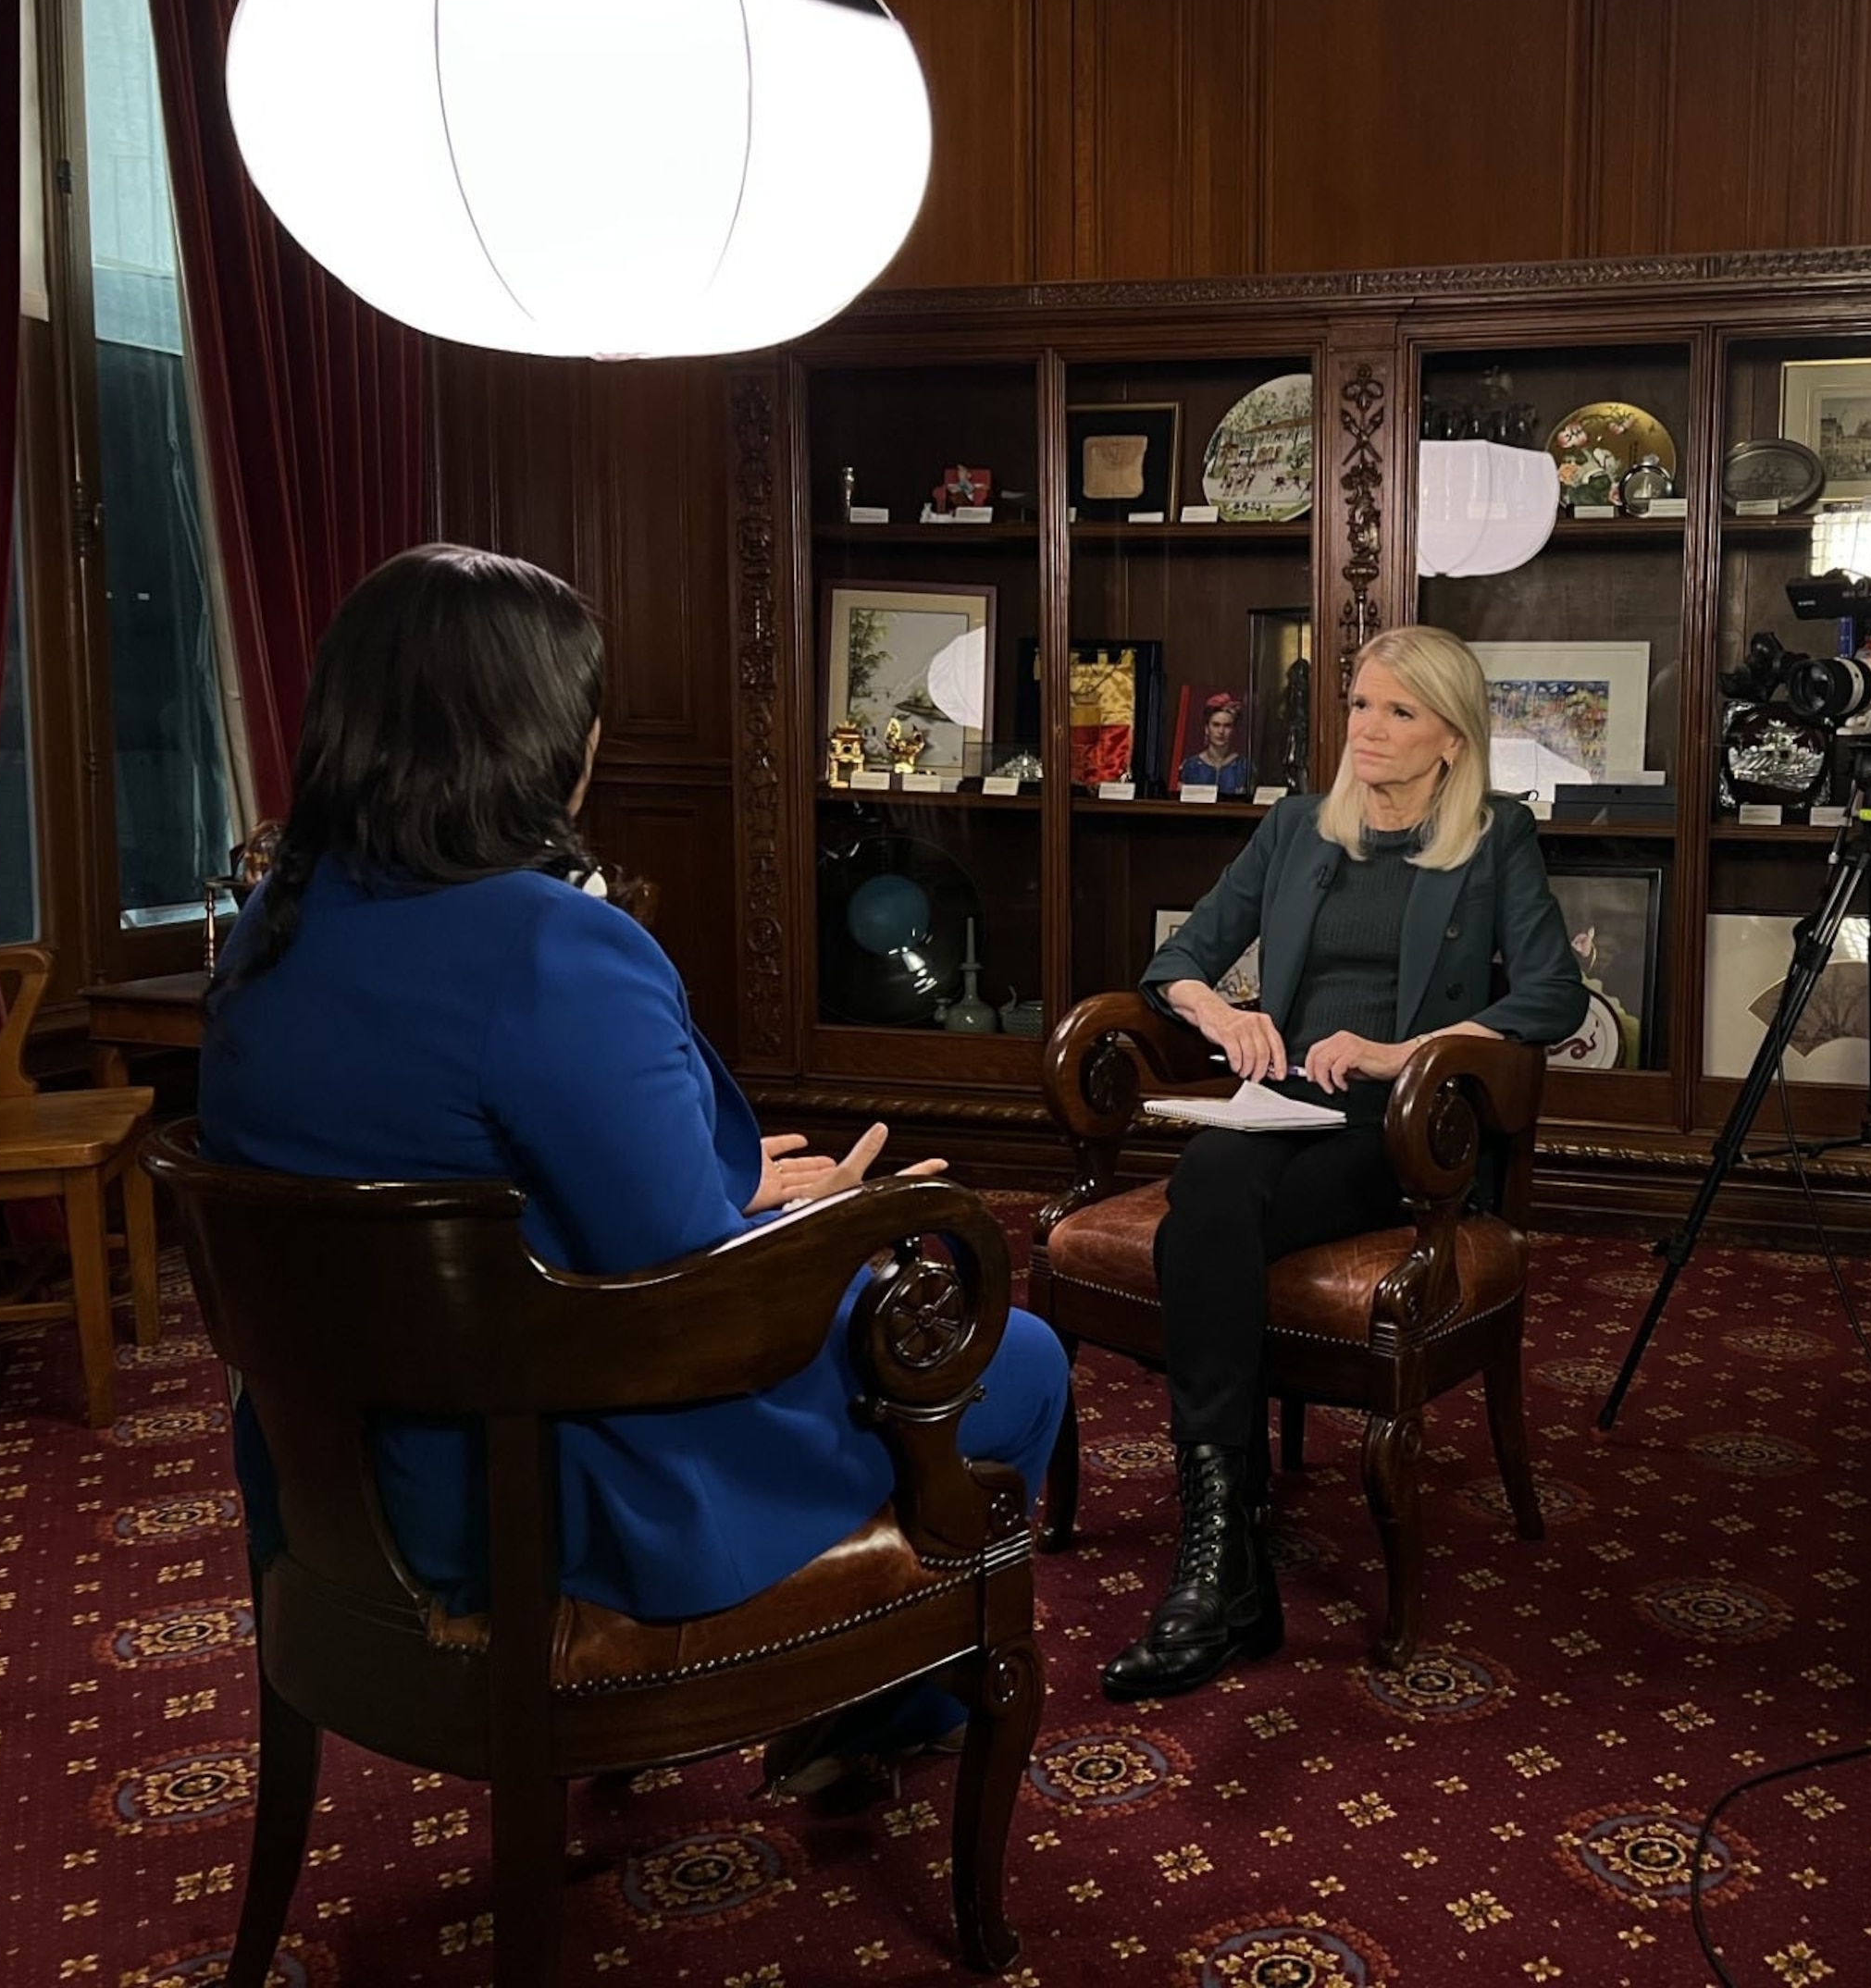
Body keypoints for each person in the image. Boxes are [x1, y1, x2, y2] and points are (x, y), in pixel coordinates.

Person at [201, 545, 1068, 1803]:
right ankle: (875, 1706)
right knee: (1015, 1359)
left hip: (344, 1486)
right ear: (548, 735)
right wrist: (827, 1221)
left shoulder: (271, 931)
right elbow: (691, 1291)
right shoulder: (550, 943)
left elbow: (445, 1184)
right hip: (547, 1490)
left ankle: (862, 1700)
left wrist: (724, 1189)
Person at [1107, 624, 1587, 1700]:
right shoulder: (1295, 828)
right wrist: (1221, 1014)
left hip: (1404, 1133)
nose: (1367, 730)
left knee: (1206, 1212)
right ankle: (1225, 1550)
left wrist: (1401, 1052)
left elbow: (1553, 997)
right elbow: (1175, 960)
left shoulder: (1495, 839)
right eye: (1361, 706)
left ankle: (1223, 1575)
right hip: (1280, 1111)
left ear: (1452, 741)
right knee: (1211, 1189)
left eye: (1398, 713)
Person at [1179, 689, 1257, 796]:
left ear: (1234, 730)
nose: (1221, 732)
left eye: (1227, 726)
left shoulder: (1244, 767)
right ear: (1207, 728)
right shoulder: (1191, 766)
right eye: (1216, 725)